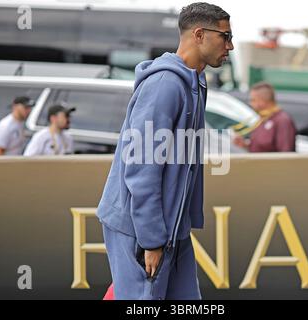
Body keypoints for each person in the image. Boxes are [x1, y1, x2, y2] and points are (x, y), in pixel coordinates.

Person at [96, 2, 234, 300]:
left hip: (172, 226)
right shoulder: (165, 84)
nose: (230, 45)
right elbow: (141, 168)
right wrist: (152, 239)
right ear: (199, 34)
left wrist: (173, 229)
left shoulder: (195, 81)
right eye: (225, 36)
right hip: (143, 228)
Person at [233, 82, 297, 152]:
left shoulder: (282, 120)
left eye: (253, 100)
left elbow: (286, 153)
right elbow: (261, 148)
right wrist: (244, 145)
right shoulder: (264, 118)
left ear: (263, 100)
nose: (251, 103)